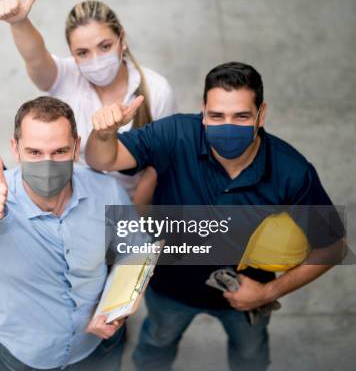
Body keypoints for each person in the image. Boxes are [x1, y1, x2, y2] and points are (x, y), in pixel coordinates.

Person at [84, 62, 345, 370]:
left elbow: (332, 247)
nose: (227, 126)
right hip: (170, 287)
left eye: (241, 116)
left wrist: (266, 292)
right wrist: (104, 135)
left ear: (261, 115)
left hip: (245, 295)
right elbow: (105, 159)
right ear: (203, 111)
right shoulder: (176, 134)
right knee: (156, 344)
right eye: (217, 116)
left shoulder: (292, 173)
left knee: (250, 356)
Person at [0, 96, 128, 370]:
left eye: (60, 152)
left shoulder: (108, 192)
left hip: (97, 348)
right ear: (15, 149)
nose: (47, 163)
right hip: (25, 357)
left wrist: (115, 306)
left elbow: (134, 255)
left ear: (76, 148)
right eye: (35, 153)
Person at [0, 0, 177, 204]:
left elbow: (157, 167)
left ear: (122, 40)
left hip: (133, 203)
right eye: (83, 53)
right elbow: (35, 57)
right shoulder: (64, 76)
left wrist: (132, 221)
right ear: (72, 54)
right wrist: (19, 23)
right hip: (72, 203)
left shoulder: (157, 90)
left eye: (105, 46)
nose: (96, 60)